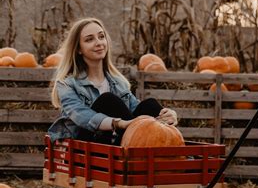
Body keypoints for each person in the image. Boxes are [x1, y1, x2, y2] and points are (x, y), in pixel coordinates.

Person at [48, 17, 177, 144]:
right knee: (108, 101)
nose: (99, 42)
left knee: (150, 104)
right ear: (78, 49)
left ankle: (172, 150)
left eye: (101, 36)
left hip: (116, 143)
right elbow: (82, 116)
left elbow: (135, 109)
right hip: (84, 147)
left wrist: (168, 115)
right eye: (89, 39)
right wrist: (120, 124)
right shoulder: (67, 85)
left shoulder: (117, 82)